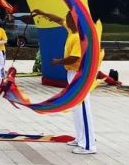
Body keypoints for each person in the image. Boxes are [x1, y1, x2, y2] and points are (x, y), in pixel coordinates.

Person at [31, 9, 96, 155]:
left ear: (74, 20)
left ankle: (89, 145)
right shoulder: (71, 30)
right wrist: (43, 13)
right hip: (72, 74)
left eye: (68, 17)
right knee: (75, 107)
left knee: (83, 108)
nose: (65, 20)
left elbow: (74, 58)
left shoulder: (79, 36)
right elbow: (58, 19)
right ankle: (80, 139)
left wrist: (59, 61)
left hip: (79, 75)